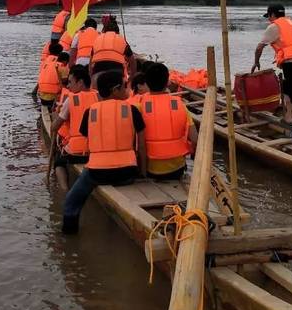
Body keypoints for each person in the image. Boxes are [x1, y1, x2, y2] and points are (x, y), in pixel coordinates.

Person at [61, 69, 146, 234]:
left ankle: (68, 238)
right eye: (124, 87)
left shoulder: (90, 111)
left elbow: (87, 136)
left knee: (71, 201)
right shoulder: (133, 110)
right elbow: (141, 147)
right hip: (127, 173)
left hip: (97, 173)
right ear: (115, 90)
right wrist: (142, 174)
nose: (127, 90)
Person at [252, 3, 292, 138]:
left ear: (272, 14)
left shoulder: (274, 27)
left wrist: (256, 62)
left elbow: (259, 48)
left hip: (291, 63)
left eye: (269, 16)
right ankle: (289, 118)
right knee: (287, 87)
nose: (268, 19)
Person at [140, 62, 197, 180]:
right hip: (177, 169)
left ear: (147, 83)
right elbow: (195, 138)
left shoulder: (140, 106)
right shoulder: (179, 104)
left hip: (150, 170)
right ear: (167, 82)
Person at [48, 64, 98, 191]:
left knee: (58, 162)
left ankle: (65, 190)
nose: (68, 86)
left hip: (79, 152)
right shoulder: (99, 96)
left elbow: (55, 127)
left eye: (71, 82)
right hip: (97, 150)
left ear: (80, 82)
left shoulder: (71, 100)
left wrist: (54, 116)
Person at [37, 47, 69, 113]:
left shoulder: (46, 63)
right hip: (53, 97)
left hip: (42, 96)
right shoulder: (62, 66)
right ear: (65, 61)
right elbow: (65, 82)